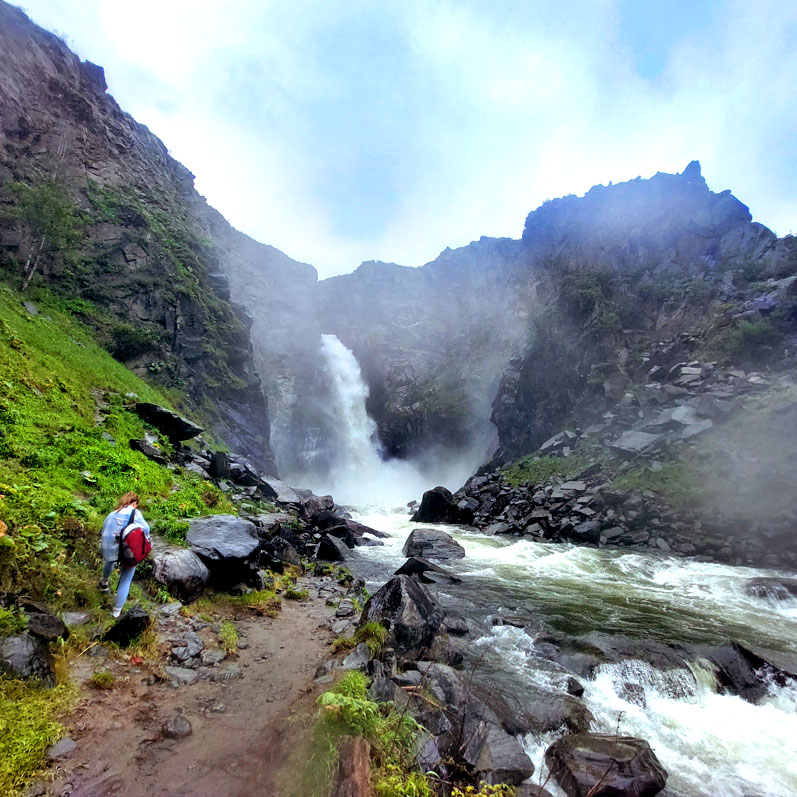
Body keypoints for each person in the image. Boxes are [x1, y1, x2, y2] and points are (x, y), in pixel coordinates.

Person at [99, 492, 150, 618]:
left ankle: (104, 583)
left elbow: (104, 529)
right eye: (136, 504)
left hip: (109, 546)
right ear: (134, 503)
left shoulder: (112, 513)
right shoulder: (134, 513)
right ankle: (116, 612)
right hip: (126, 549)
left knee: (109, 561)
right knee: (126, 578)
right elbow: (146, 528)